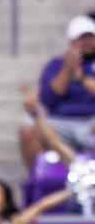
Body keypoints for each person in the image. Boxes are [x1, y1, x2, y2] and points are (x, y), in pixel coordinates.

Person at [27, 16, 95, 157]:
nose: (87, 43)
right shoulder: (55, 65)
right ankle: (40, 176)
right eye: (82, 38)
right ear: (71, 41)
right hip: (60, 121)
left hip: (91, 120)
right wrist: (68, 69)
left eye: (90, 37)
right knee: (28, 132)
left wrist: (80, 78)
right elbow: (49, 99)